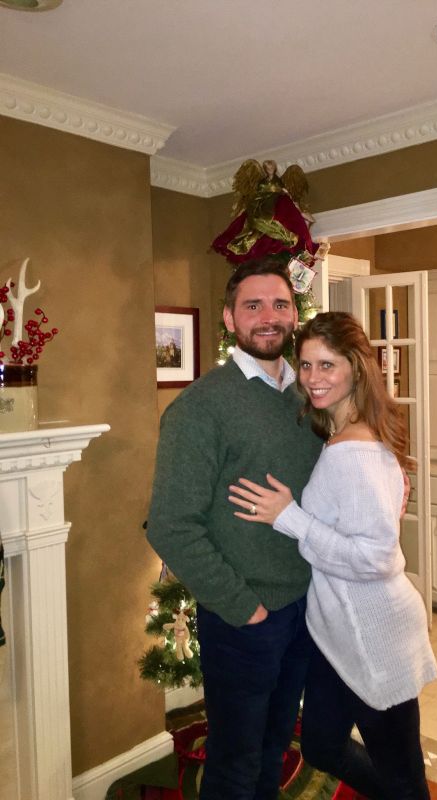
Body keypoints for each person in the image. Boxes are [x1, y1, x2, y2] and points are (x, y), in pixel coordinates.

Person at [229, 311, 437, 800]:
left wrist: (290, 518)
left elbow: (376, 558)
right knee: (323, 746)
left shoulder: (355, 453)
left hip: (376, 635)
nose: (312, 378)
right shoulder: (340, 435)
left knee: (403, 777)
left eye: (327, 365)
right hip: (337, 636)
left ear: (355, 369)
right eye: (305, 365)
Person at [146, 258, 323, 800]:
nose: (269, 316)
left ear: (294, 314)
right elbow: (171, 526)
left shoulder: (310, 396)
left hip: (306, 608)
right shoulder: (200, 408)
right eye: (253, 305)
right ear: (229, 318)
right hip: (245, 618)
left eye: (280, 304)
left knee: (275, 748)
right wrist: (244, 608)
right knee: (235, 765)